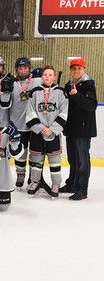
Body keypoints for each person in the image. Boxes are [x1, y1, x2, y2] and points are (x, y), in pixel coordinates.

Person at [0, 57, 42, 189]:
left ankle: (34, 178)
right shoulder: (11, 83)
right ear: (16, 69)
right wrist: (5, 90)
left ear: (30, 68)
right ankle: (20, 174)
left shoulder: (38, 80)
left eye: (25, 67)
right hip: (17, 124)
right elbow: (4, 104)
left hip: (35, 125)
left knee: (35, 154)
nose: (23, 70)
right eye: (20, 68)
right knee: (20, 153)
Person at [26, 66, 69, 199]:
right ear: (41, 77)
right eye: (45, 74)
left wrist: (52, 129)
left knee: (55, 161)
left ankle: (56, 184)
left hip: (53, 133)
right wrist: (40, 128)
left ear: (54, 77)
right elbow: (30, 112)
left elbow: (64, 113)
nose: (47, 77)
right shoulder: (34, 92)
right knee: (36, 160)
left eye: (50, 75)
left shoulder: (61, 93)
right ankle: (35, 181)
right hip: (38, 133)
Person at [61, 58, 97, 200]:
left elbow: (91, 106)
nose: (76, 71)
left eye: (79, 69)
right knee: (73, 159)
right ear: (70, 70)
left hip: (83, 130)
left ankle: (82, 190)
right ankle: (72, 184)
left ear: (84, 69)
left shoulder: (88, 85)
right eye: (73, 69)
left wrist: (77, 96)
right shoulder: (68, 85)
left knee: (82, 160)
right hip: (71, 129)